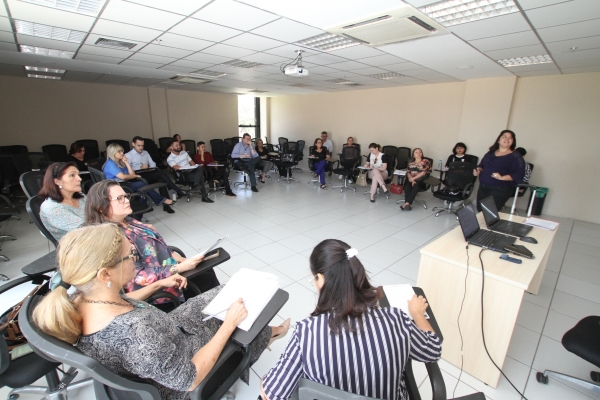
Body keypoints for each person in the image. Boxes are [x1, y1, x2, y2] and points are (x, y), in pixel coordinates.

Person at [33, 223, 290, 400]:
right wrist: (228, 325)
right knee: (240, 316)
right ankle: (268, 334)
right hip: (180, 368)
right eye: (130, 255)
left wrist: (157, 284)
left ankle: (265, 331)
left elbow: (122, 301)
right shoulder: (135, 335)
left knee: (230, 291)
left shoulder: (81, 297)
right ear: (105, 274)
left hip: (167, 335)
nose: (136, 257)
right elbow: (189, 378)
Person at [260, 239, 441, 400]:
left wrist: (264, 381)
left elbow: (271, 394)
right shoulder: (396, 319)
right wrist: (417, 313)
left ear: (321, 279)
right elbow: (433, 349)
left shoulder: (307, 332)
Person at [84, 180, 220, 308]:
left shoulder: (128, 221)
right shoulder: (113, 238)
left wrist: (183, 260)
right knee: (207, 279)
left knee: (206, 268)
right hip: (156, 292)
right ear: (101, 207)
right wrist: (179, 268)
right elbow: (137, 277)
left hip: (167, 271)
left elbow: (155, 248)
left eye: (126, 196)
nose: (126, 200)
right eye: (119, 198)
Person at [103, 143, 176, 213]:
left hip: (124, 183)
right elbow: (123, 176)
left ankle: (140, 213)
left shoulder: (120, 162)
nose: (122, 152)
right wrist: (135, 176)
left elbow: (131, 174)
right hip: (117, 187)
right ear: (113, 153)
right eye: (119, 151)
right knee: (141, 184)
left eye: (122, 150)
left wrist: (127, 163)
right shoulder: (110, 163)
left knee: (143, 190)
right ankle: (162, 200)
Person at [473, 130, 525, 211]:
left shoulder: (515, 156)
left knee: (490, 213)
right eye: (504, 136)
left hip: (500, 189)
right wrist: (478, 170)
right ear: (498, 140)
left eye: (510, 138)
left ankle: (488, 224)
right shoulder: (490, 153)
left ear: (513, 141)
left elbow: (519, 174)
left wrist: (502, 177)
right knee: (480, 211)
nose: (507, 139)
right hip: (483, 187)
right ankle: (482, 224)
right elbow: (482, 165)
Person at [39, 162, 86, 241]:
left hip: (92, 239)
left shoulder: (80, 197)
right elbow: (87, 230)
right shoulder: (53, 208)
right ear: (58, 181)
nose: (79, 179)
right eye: (72, 175)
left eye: (78, 174)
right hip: (78, 247)